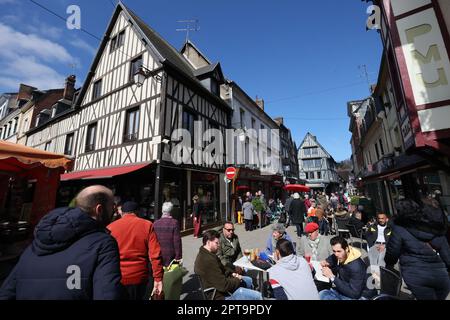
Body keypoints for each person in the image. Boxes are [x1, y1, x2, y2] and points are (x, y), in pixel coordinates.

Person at [0, 185, 123, 300]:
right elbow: (107, 294)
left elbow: (7, 292)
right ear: (99, 209)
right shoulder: (103, 243)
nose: (116, 211)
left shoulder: (37, 243)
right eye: (112, 206)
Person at [385, 199, 450, 300]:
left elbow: (393, 252)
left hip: (415, 274)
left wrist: (389, 264)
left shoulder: (399, 228)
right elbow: (447, 256)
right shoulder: (436, 228)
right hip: (440, 275)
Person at [107, 201, 164, 300]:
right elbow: (155, 255)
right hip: (140, 277)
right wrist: (158, 278)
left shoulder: (110, 228)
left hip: (118, 277)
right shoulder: (147, 225)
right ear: (138, 212)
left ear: (122, 212)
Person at [194, 230, 262, 300]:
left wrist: (232, 274)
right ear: (208, 242)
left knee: (248, 280)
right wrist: (237, 279)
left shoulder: (207, 253)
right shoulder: (208, 260)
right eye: (216, 243)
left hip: (222, 285)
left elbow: (222, 269)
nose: (219, 245)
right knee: (257, 296)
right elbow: (224, 286)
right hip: (220, 295)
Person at [153, 202, 182, 267]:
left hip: (158, 254)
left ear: (162, 211)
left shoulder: (155, 223)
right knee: (171, 275)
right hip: (170, 255)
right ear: (171, 211)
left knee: (160, 274)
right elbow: (177, 242)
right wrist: (178, 257)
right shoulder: (174, 223)